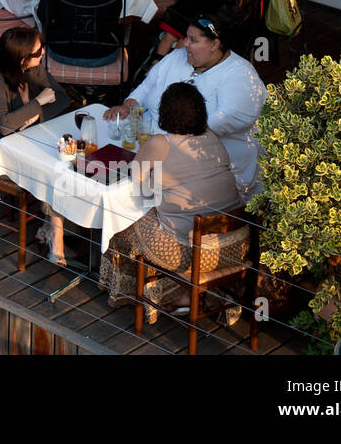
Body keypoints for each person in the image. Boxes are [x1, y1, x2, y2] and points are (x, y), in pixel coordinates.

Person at [98, 83, 245, 317]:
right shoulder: (213, 138)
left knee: (121, 223)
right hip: (236, 245)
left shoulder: (160, 143)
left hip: (192, 254)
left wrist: (159, 188)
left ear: (164, 113)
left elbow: (137, 185)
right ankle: (187, 295)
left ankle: (131, 294)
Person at [105, 15, 266, 199]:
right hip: (149, 146)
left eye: (193, 40)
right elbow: (147, 86)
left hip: (202, 170)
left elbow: (224, 120)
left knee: (125, 188)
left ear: (215, 45)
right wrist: (128, 105)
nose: (185, 44)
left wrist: (163, 146)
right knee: (106, 159)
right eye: (186, 37)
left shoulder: (240, 75)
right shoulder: (177, 56)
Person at [0, 26, 72, 170]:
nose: (43, 52)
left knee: (66, 161)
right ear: (22, 59)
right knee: (53, 169)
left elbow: (62, 98)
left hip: (28, 142)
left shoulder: (35, 69)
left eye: (42, 46)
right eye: (37, 52)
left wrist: (36, 115)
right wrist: (39, 102)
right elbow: (3, 125)